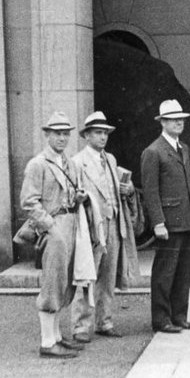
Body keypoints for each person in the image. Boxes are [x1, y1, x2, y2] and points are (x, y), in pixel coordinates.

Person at [20, 112, 94, 358]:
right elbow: (28, 202)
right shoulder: (38, 164)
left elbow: (71, 194)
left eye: (65, 134)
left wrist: (78, 198)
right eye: (57, 134)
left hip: (72, 223)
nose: (62, 138)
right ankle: (47, 341)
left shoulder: (70, 163)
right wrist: (49, 226)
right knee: (52, 282)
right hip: (53, 227)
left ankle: (58, 336)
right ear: (47, 135)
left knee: (66, 282)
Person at [70, 111, 140, 342]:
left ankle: (104, 321)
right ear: (87, 136)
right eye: (98, 133)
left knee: (108, 278)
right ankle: (81, 326)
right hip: (92, 226)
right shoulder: (77, 162)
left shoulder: (110, 159)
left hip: (114, 224)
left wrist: (127, 190)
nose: (103, 137)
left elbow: (116, 189)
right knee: (86, 276)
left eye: (105, 133)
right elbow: (72, 195)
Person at [141, 99, 190, 333]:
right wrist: (158, 222)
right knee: (164, 272)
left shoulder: (184, 148)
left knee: (183, 272)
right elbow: (150, 191)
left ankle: (179, 316)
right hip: (168, 222)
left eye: (181, 119)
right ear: (163, 122)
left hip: (188, 219)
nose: (179, 122)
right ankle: (161, 319)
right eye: (173, 119)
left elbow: (186, 181)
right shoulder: (153, 151)